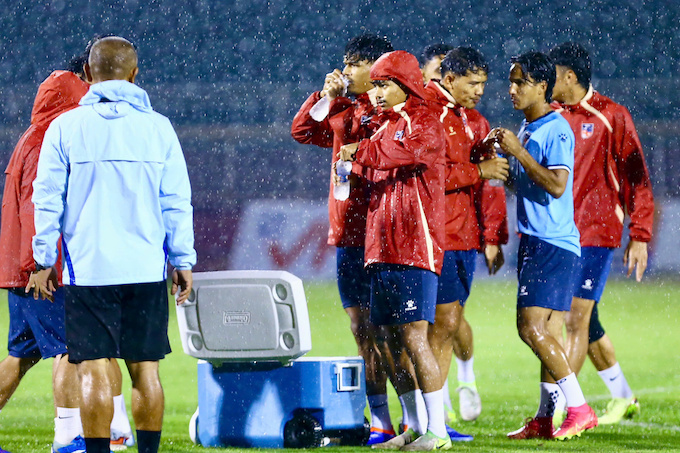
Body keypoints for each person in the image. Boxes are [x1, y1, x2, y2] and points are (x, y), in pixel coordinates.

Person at [26, 36, 195, 453]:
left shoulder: (66, 127)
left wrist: (43, 260)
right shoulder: (158, 127)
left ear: (87, 74)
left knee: (94, 369)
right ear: (134, 75)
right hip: (144, 270)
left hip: (90, 271)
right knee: (146, 371)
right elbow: (176, 201)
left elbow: (46, 198)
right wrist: (182, 259)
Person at [0, 49, 134, 452]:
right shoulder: (57, 134)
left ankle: (112, 430)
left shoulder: (39, 129)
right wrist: (41, 264)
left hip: (22, 268)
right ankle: (69, 436)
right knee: (73, 351)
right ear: (85, 80)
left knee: (21, 358)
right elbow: (37, 207)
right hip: (43, 270)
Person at [291, 34, 409, 445]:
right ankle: (381, 422)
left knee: (395, 333)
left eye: (354, 64)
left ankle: (417, 417)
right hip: (350, 237)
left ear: (377, 69)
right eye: (345, 62)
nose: (345, 71)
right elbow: (302, 131)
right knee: (363, 332)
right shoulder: (343, 110)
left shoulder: (391, 112)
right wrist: (324, 96)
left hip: (386, 235)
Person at [339, 50, 451, 451]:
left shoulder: (425, 121)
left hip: (414, 248)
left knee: (415, 338)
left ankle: (438, 431)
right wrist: (349, 167)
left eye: (385, 84)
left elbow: (402, 154)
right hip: (381, 248)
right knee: (386, 340)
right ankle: (415, 425)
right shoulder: (383, 126)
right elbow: (369, 163)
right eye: (376, 84)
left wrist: (360, 152)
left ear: (405, 84)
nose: (378, 92)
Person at [488, 51, 597, 440]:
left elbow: (556, 185)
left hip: (551, 243)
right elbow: (528, 186)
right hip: (538, 241)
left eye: (520, 82)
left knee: (529, 328)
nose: (512, 89)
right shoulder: (528, 126)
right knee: (546, 332)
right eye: (510, 81)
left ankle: (580, 408)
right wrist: (501, 166)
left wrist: (518, 152)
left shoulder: (557, 128)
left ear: (541, 86)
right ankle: (544, 418)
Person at [549, 42, 653, 425]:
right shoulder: (552, 115)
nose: (545, 81)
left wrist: (639, 234)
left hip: (595, 232)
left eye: (552, 74)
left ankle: (560, 409)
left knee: (573, 319)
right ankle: (623, 396)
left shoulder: (612, 115)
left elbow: (637, 178)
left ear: (570, 76)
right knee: (586, 322)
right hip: (558, 235)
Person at [424, 47, 508, 431]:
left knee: (449, 323)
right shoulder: (427, 113)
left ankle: (437, 413)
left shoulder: (474, 121)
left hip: (463, 238)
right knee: (432, 326)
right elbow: (430, 175)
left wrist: (492, 236)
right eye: (473, 83)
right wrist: (477, 170)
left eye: (483, 84)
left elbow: (492, 182)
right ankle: (430, 418)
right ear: (449, 78)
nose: (480, 91)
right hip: (433, 237)